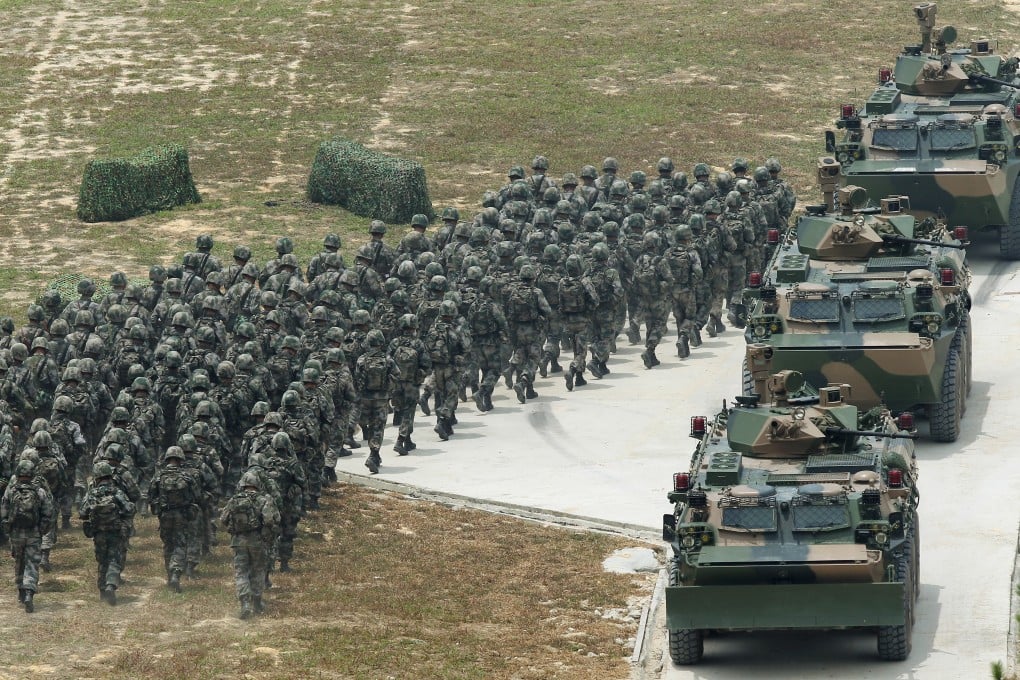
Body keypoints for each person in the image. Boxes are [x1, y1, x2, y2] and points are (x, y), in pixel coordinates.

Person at [220, 471, 279, 619]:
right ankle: (257, 602)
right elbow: (270, 520)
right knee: (258, 570)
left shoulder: (234, 500)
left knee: (241, 572)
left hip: (238, 542)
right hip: (257, 541)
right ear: (257, 484)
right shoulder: (264, 499)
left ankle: (245, 603)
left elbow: (223, 518)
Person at [1, 459, 53, 613]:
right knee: (32, 563)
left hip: (16, 534)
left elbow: (3, 511)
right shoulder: (39, 491)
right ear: (32, 474)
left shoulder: (10, 491)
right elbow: (48, 513)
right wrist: (41, 530)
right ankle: (29, 592)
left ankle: (20, 591)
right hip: (33, 534)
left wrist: (8, 530)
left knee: (19, 561)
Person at [80, 460, 135, 605]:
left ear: (96, 477)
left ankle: (102, 591)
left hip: (99, 534)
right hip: (115, 532)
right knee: (114, 560)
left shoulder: (92, 494)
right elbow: (128, 509)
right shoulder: (117, 492)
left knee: (102, 560)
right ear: (110, 477)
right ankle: (111, 584)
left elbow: (82, 512)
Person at [148, 446, 201, 593]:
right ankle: (176, 573)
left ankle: (169, 574)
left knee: (168, 544)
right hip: (182, 515)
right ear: (180, 459)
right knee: (180, 544)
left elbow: (151, 496)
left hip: (165, 515)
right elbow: (197, 495)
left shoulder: (159, 476)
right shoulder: (186, 476)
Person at [354, 329, 399, 473]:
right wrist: (388, 390)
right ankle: (373, 455)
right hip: (381, 399)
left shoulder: (361, 359)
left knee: (367, 423)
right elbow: (397, 375)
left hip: (365, 398)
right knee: (378, 428)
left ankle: (375, 454)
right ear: (381, 342)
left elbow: (357, 378)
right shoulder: (387, 359)